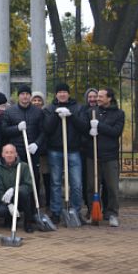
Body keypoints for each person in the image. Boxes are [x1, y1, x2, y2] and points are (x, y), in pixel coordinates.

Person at [43, 83, 89, 224]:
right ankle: (56, 212)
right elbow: (47, 129)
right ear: (56, 94)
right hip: (55, 150)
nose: (62, 94)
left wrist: (71, 116)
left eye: (65, 92)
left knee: (76, 183)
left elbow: (84, 127)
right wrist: (56, 115)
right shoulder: (49, 109)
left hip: (73, 150)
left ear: (68, 94)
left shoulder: (79, 108)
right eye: (60, 92)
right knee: (55, 183)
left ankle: (75, 211)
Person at [85, 88, 124, 227]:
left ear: (109, 98)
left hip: (110, 156)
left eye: (101, 96)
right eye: (98, 96)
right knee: (92, 186)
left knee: (112, 187)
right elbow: (83, 129)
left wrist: (99, 126)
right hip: (93, 155)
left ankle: (112, 213)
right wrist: (89, 131)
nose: (98, 99)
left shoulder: (119, 114)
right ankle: (94, 212)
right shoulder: (91, 112)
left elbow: (116, 132)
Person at [2, 85, 45, 199]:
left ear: (30, 96)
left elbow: (43, 131)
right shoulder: (10, 111)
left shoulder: (38, 112)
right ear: (18, 96)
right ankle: (18, 203)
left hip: (32, 151)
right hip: (17, 151)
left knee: (34, 176)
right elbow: (4, 130)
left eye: (27, 94)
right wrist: (17, 128)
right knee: (17, 177)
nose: (25, 96)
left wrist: (36, 144)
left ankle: (34, 203)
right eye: (22, 94)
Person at [0, 144, 36, 233]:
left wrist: (14, 189)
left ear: (16, 154)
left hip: (21, 198)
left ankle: (28, 222)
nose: (9, 155)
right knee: (1, 211)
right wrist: (8, 204)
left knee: (25, 194)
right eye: (7, 152)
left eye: (11, 152)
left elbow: (29, 186)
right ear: (2, 154)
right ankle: (10, 219)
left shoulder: (23, 166)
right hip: (6, 200)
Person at [80, 88, 99, 215]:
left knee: (102, 182)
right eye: (90, 97)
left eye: (94, 97)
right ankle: (89, 207)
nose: (92, 99)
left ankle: (103, 208)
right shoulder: (83, 111)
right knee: (88, 182)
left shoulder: (103, 111)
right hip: (87, 151)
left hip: (101, 150)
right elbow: (81, 129)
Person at [31, 91, 50, 206]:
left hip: (45, 151)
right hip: (33, 151)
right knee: (35, 177)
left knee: (47, 177)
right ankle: (36, 201)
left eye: (39, 100)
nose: (37, 102)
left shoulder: (46, 113)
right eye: (34, 100)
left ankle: (48, 202)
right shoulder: (30, 113)